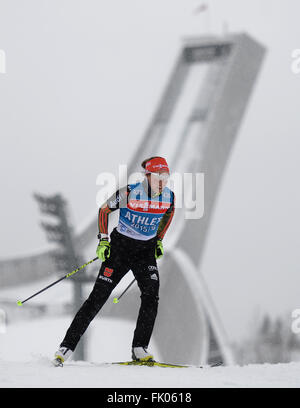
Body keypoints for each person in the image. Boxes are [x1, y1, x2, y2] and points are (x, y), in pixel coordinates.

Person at [53, 156, 175, 366]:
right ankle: (66, 347)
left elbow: (169, 214)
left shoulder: (169, 197)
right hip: (121, 249)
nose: (162, 182)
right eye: (158, 177)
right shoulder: (129, 193)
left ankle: (139, 348)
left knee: (151, 296)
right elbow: (104, 210)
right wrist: (103, 240)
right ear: (147, 176)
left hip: (145, 252)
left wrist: (159, 239)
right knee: (97, 298)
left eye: (165, 177)